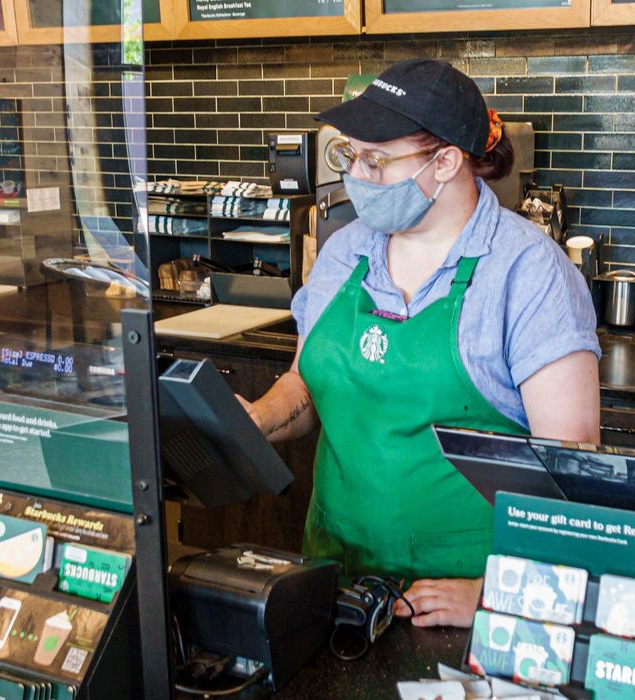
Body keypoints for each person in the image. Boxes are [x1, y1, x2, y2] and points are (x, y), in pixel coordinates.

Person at [239, 58, 601, 628]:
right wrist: (257, 418)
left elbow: (570, 463)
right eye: (348, 155)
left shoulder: (529, 272)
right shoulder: (343, 252)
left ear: (446, 162)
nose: (355, 174)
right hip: (332, 577)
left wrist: (493, 595)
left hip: (453, 601)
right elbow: (307, 383)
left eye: (376, 160)